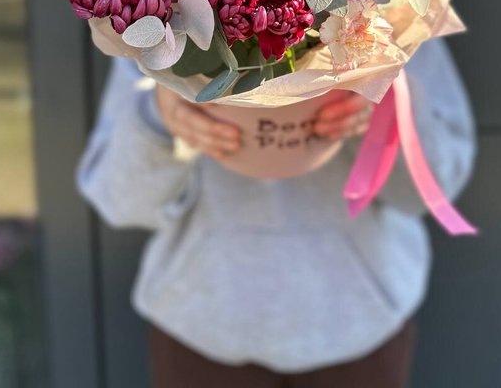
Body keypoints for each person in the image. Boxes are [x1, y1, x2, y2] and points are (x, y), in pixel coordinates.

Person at [78, 37, 475, 388]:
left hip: (361, 327)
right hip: (201, 328)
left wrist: (383, 107)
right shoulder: (157, 21)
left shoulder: (395, 13)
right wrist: (159, 116)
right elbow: (121, 200)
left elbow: (434, 188)